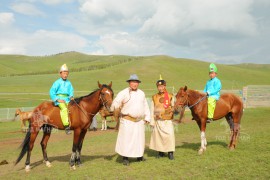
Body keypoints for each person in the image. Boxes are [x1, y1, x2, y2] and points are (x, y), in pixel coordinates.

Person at [110, 74, 151, 166]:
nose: (135, 84)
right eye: (133, 82)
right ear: (129, 83)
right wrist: (115, 108)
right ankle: (125, 158)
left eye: (136, 82)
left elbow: (145, 105)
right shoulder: (123, 93)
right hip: (127, 120)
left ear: (138, 83)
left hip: (139, 121)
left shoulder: (142, 93)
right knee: (127, 140)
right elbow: (115, 103)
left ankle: (139, 156)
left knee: (139, 140)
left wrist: (148, 117)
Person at [149, 75, 175, 160]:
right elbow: (152, 109)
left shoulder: (170, 96)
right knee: (159, 137)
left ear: (165, 86)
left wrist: (168, 112)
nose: (160, 88)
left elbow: (173, 107)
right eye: (159, 86)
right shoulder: (154, 97)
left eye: (162, 86)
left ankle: (170, 152)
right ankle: (161, 152)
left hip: (167, 120)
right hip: (158, 120)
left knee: (169, 136)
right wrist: (152, 121)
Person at [50, 64, 74, 134]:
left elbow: (71, 91)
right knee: (64, 109)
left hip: (68, 99)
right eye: (64, 73)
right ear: (60, 74)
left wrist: (71, 96)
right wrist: (57, 99)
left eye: (67, 73)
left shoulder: (69, 83)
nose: (65, 75)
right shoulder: (57, 82)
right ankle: (66, 126)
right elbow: (52, 91)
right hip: (60, 99)